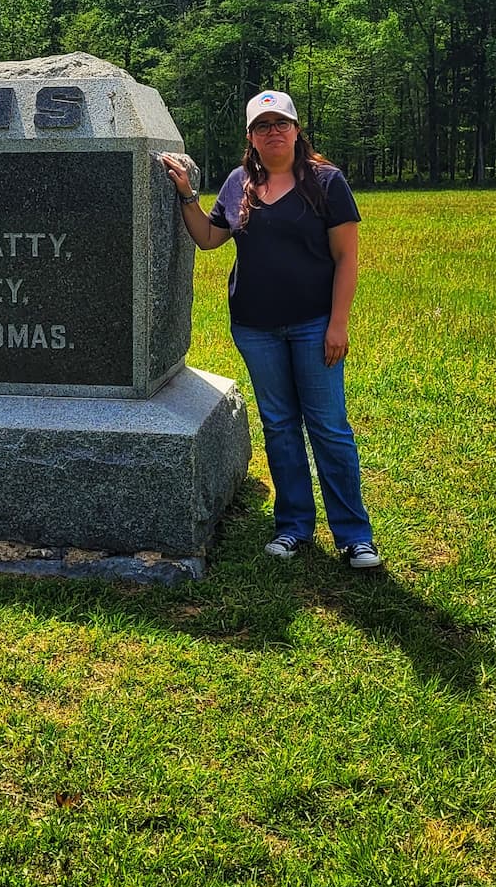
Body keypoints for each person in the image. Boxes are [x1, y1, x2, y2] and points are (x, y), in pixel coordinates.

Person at [160, 91, 383, 570]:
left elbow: (347, 258)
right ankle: (294, 527)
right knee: (280, 427)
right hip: (255, 327)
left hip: (313, 324)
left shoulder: (326, 181)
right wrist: (186, 196)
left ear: (297, 129)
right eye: (262, 126)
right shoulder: (239, 182)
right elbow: (208, 238)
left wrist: (338, 324)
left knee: (328, 428)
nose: (273, 132)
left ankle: (354, 536)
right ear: (251, 138)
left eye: (280, 123)